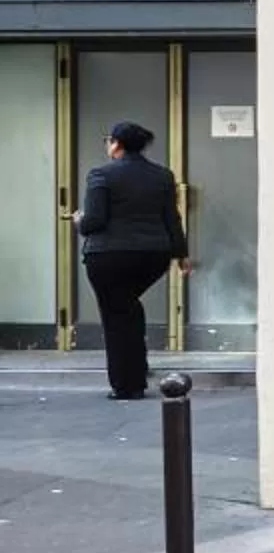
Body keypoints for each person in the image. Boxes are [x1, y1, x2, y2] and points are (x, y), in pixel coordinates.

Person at [73, 120, 188, 402]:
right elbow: (172, 218)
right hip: (153, 256)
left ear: (116, 144)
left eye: (107, 140)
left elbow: (94, 221)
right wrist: (180, 254)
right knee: (127, 309)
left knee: (116, 317)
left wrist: (78, 221)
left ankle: (126, 384)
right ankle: (137, 370)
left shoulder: (101, 174)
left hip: (108, 256)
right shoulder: (162, 175)